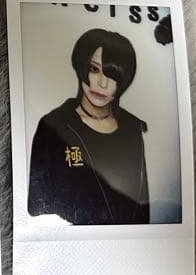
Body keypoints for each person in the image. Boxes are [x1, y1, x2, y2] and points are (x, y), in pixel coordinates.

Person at [28, 28, 149, 225]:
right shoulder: (53, 127)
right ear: (81, 66)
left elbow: (141, 206)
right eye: (94, 69)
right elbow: (37, 206)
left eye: (112, 75)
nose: (102, 83)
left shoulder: (131, 129)